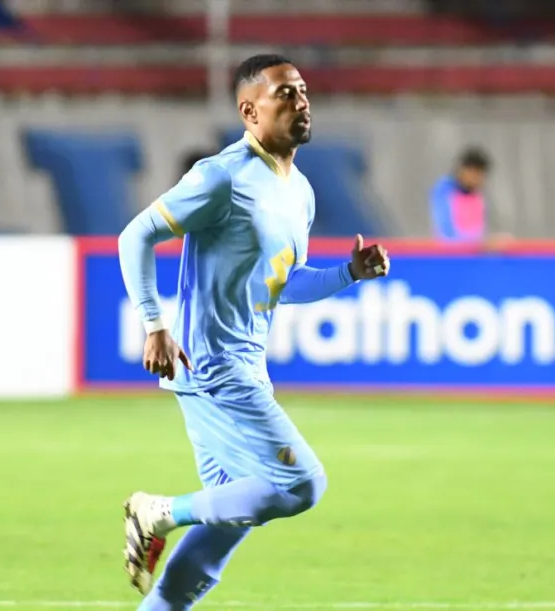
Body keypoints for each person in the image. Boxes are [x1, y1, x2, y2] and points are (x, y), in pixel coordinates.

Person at [116, 53, 391, 609]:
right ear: (249, 111)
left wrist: (348, 273)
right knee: (300, 485)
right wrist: (154, 323)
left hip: (240, 365)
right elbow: (135, 236)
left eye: (304, 91)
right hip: (213, 364)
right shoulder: (221, 176)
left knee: (227, 523)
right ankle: (157, 511)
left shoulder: (301, 191)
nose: (301, 102)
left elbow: (284, 284)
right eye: (284, 95)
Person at [429, 147, 506, 245]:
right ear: (463, 170)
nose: (477, 179)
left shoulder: (478, 197)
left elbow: (481, 230)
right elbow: (446, 235)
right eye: (474, 173)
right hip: (450, 255)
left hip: (473, 255)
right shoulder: (444, 190)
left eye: (480, 175)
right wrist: (481, 243)